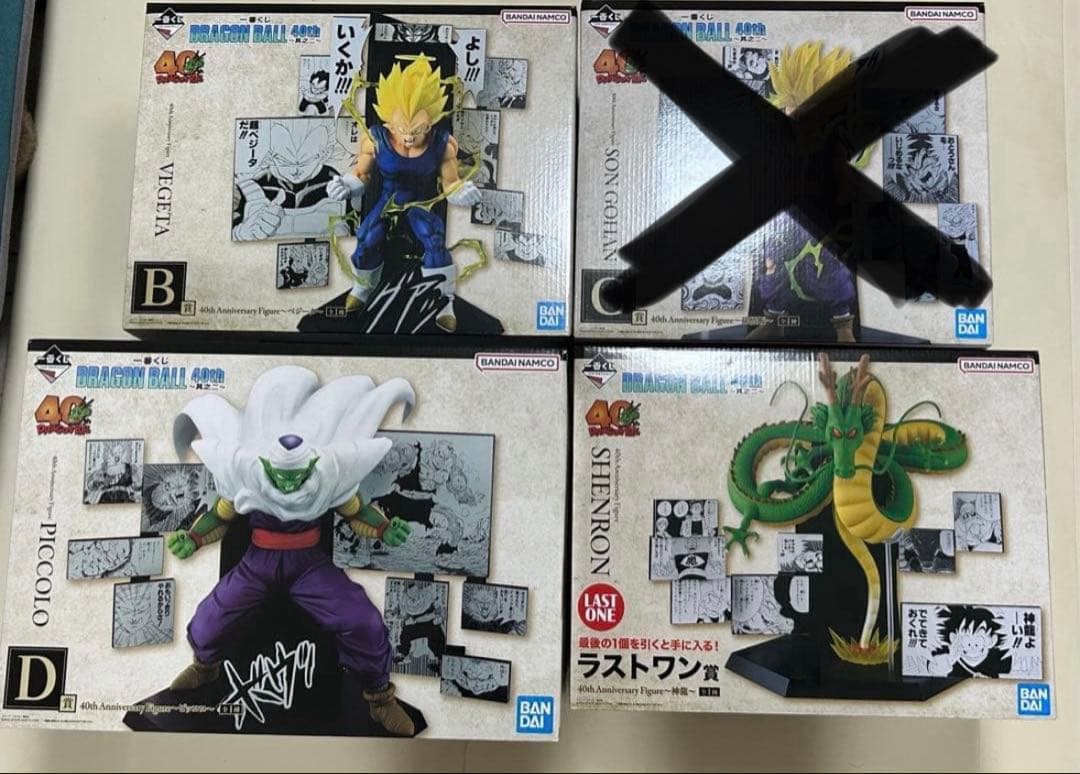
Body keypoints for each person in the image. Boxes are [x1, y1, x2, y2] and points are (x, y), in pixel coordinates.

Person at [327, 55, 481, 331]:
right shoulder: (375, 139)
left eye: (417, 131)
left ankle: (443, 300)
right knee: (366, 237)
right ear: (389, 123)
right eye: (402, 130)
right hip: (388, 198)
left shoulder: (443, 144)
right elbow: (362, 175)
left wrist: (459, 192)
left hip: (421, 201)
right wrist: (346, 185)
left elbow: (450, 182)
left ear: (430, 123)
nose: (409, 137)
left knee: (433, 240)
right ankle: (363, 286)